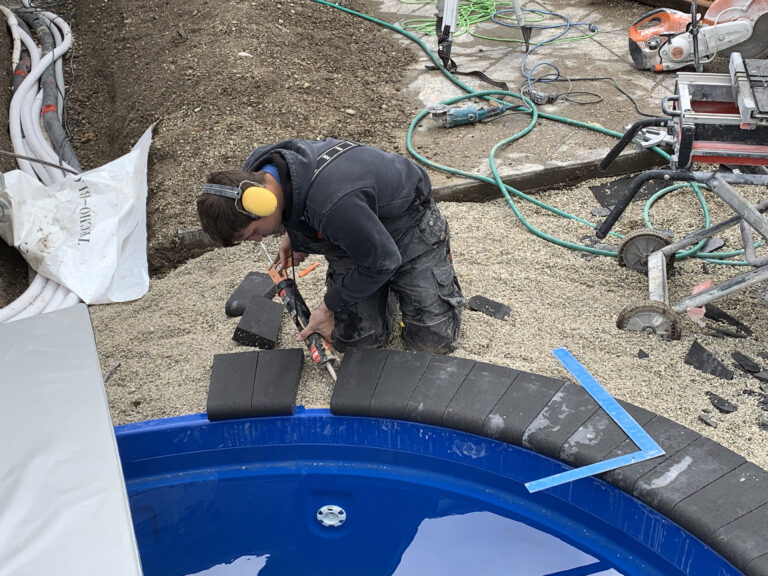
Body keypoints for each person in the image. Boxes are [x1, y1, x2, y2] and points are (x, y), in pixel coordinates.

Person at [197, 137, 463, 354]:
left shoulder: (332, 205)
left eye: (253, 233)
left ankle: (411, 277)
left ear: (263, 203)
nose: (256, 241)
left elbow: (384, 260)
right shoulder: (257, 177)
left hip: (409, 222)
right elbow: (296, 201)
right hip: (354, 227)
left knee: (431, 344)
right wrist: (295, 236)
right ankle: (384, 287)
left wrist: (329, 306)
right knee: (358, 344)